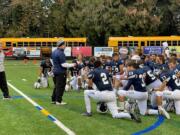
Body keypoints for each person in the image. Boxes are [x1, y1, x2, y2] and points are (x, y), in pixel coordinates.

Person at [51, 40, 76, 105]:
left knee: (56, 86)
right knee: (60, 87)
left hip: (55, 71)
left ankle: (54, 99)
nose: (65, 46)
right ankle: (58, 101)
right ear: (61, 45)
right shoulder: (61, 53)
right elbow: (63, 64)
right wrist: (72, 65)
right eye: (64, 45)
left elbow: (52, 60)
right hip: (60, 72)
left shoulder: (54, 51)